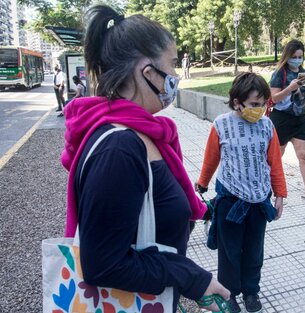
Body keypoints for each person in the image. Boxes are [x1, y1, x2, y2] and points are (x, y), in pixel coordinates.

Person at [60, 5, 229, 312]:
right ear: (147, 71)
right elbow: (104, 264)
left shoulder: (144, 132)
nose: (176, 76)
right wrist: (192, 277)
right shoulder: (120, 149)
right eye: (173, 65)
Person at [196, 72, 287, 313]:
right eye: (254, 105)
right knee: (229, 252)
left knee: (254, 251)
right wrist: (202, 183)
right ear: (237, 103)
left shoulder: (267, 125)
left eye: (264, 104)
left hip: (259, 202)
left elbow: (275, 162)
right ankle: (229, 293)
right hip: (230, 202)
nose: (260, 109)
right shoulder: (221, 125)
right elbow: (211, 158)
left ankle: (251, 291)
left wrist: (280, 194)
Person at [269, 39, 305, 205]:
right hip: (281, 119)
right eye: (294, 56)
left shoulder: (304, 73)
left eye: (300, 56)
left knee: (304, 156)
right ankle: (272, 189)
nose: (298, 60)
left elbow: (302, 97)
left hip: (300, 119)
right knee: (276, 157)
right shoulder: (279, 74)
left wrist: (299, 89)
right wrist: (290, 88)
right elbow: (273, 99)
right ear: (287, 56)